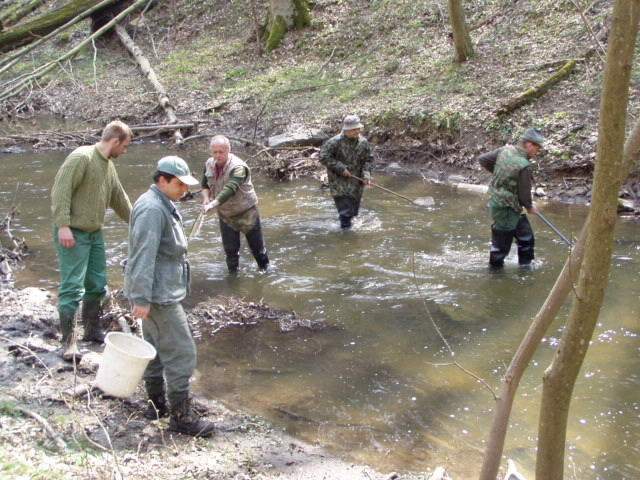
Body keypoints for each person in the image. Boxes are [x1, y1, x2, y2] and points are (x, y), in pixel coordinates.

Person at [124, 156, 215, 437]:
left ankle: (156, 405)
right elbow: (142, 255)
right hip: (157, 295)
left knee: (155, 349)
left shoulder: (162, 203)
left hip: (158, 291)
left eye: (187, 186)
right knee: (182, 353)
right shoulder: (152, 209)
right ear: (161, 180)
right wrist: (140, 298)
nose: (184, 191)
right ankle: (180, 417)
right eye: (179, 185)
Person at [51, 120, 133, 361]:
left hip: (94, 232)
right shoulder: (81, 157)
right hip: (72, 232)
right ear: (115, 141)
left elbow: (119, 197)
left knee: (97, 283)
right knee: (72, 287)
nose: (125, 151)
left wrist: (138, 222)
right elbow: (60, 191)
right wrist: (63, 225)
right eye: (125, 146)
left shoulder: (108, 166)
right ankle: (68, 342)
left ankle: (91, 330)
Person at [478, 128, 545, 269]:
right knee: (500, 247)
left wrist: (501, 174)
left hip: (506, 204)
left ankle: (526, 268)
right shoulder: (524, 166)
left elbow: (483, 159)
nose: (536, 153)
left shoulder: (504, 150)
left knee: (526, 238)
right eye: (537, 149)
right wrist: (530, 207)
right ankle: (495, 276)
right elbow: (524, 194)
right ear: (529, 144)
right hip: (506, 209)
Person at [201, 135, 269, 273]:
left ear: (229, 150)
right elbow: (204, 184)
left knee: (258, 250)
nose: (218, 155)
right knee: (230, 252)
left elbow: (230, 189)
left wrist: (212, 204)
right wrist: (206, 199)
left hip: (247, 211)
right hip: (226, 214)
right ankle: (233, 279)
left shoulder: (238, 167)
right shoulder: (209, 164)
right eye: (215, 152)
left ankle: (266, 273)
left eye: (221, 152)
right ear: (211, 152)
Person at [319, 114, 374, 229]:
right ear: (346, 129)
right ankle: (346, 236)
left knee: (353, 212)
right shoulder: (333, 142)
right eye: (353, 129)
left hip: (356, 182)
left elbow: (368, 159)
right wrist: (341, 168)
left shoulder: (363, 142)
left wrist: (367, 175)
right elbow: (323, 157)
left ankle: (347, 228)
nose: (356, 131)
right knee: (345, 212)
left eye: (357, 129)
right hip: (339, 182)